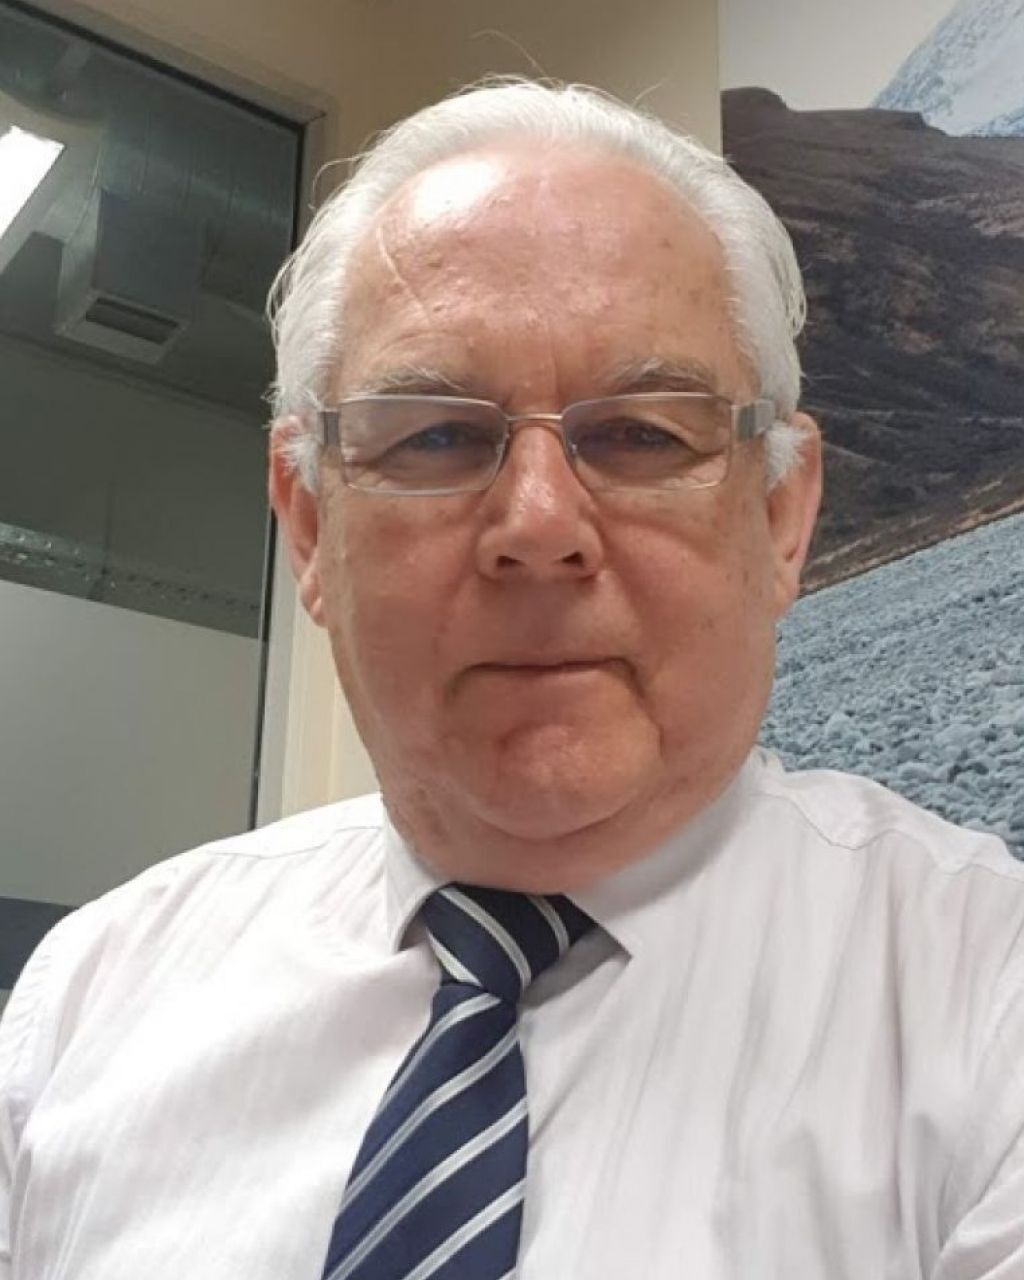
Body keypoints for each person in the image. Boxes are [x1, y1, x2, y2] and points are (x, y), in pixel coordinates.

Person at [2, 80, 1023, 1280]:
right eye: (434, 435)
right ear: (309, 526)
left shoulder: (985, 997)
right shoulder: (89, 1001)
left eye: (642, 432)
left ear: (782, 518)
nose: (539, 525)